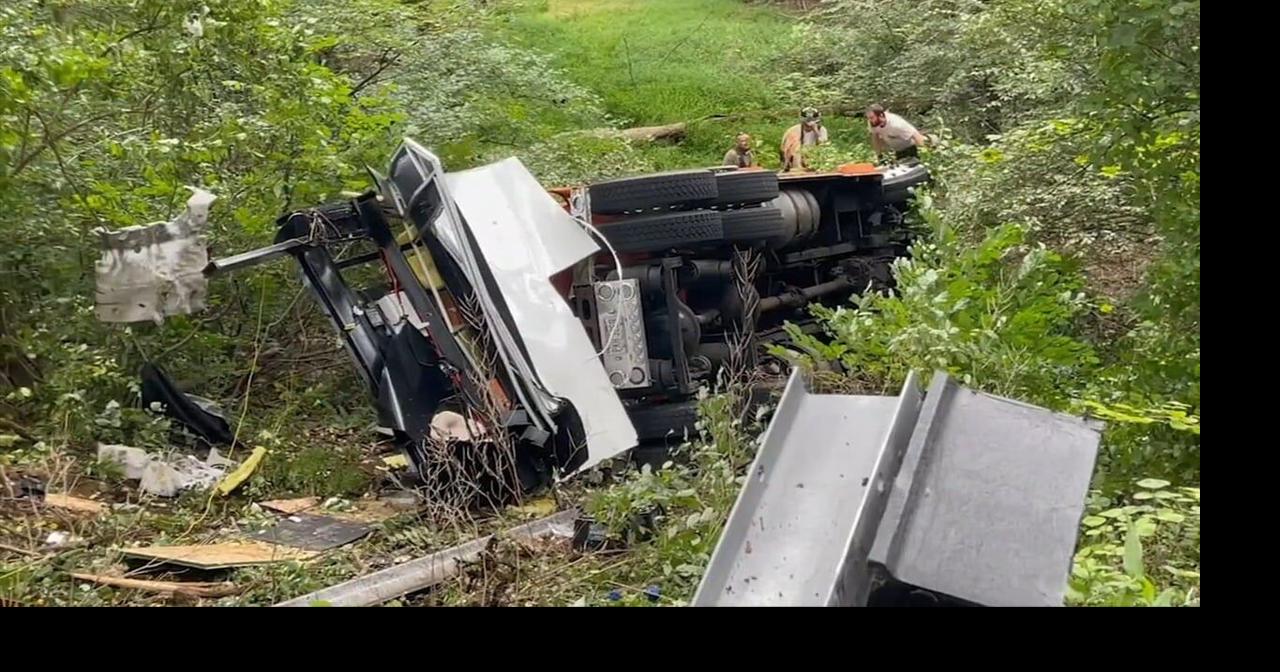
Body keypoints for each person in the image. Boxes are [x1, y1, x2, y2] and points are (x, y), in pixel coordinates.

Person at [779, 107, 828, 172]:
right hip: (798, 158)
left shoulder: (821, 130)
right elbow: (785, 148)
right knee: (797, 149)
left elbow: (823, 145)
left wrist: (815, 131)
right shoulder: (794, 130)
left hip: (814, 157)